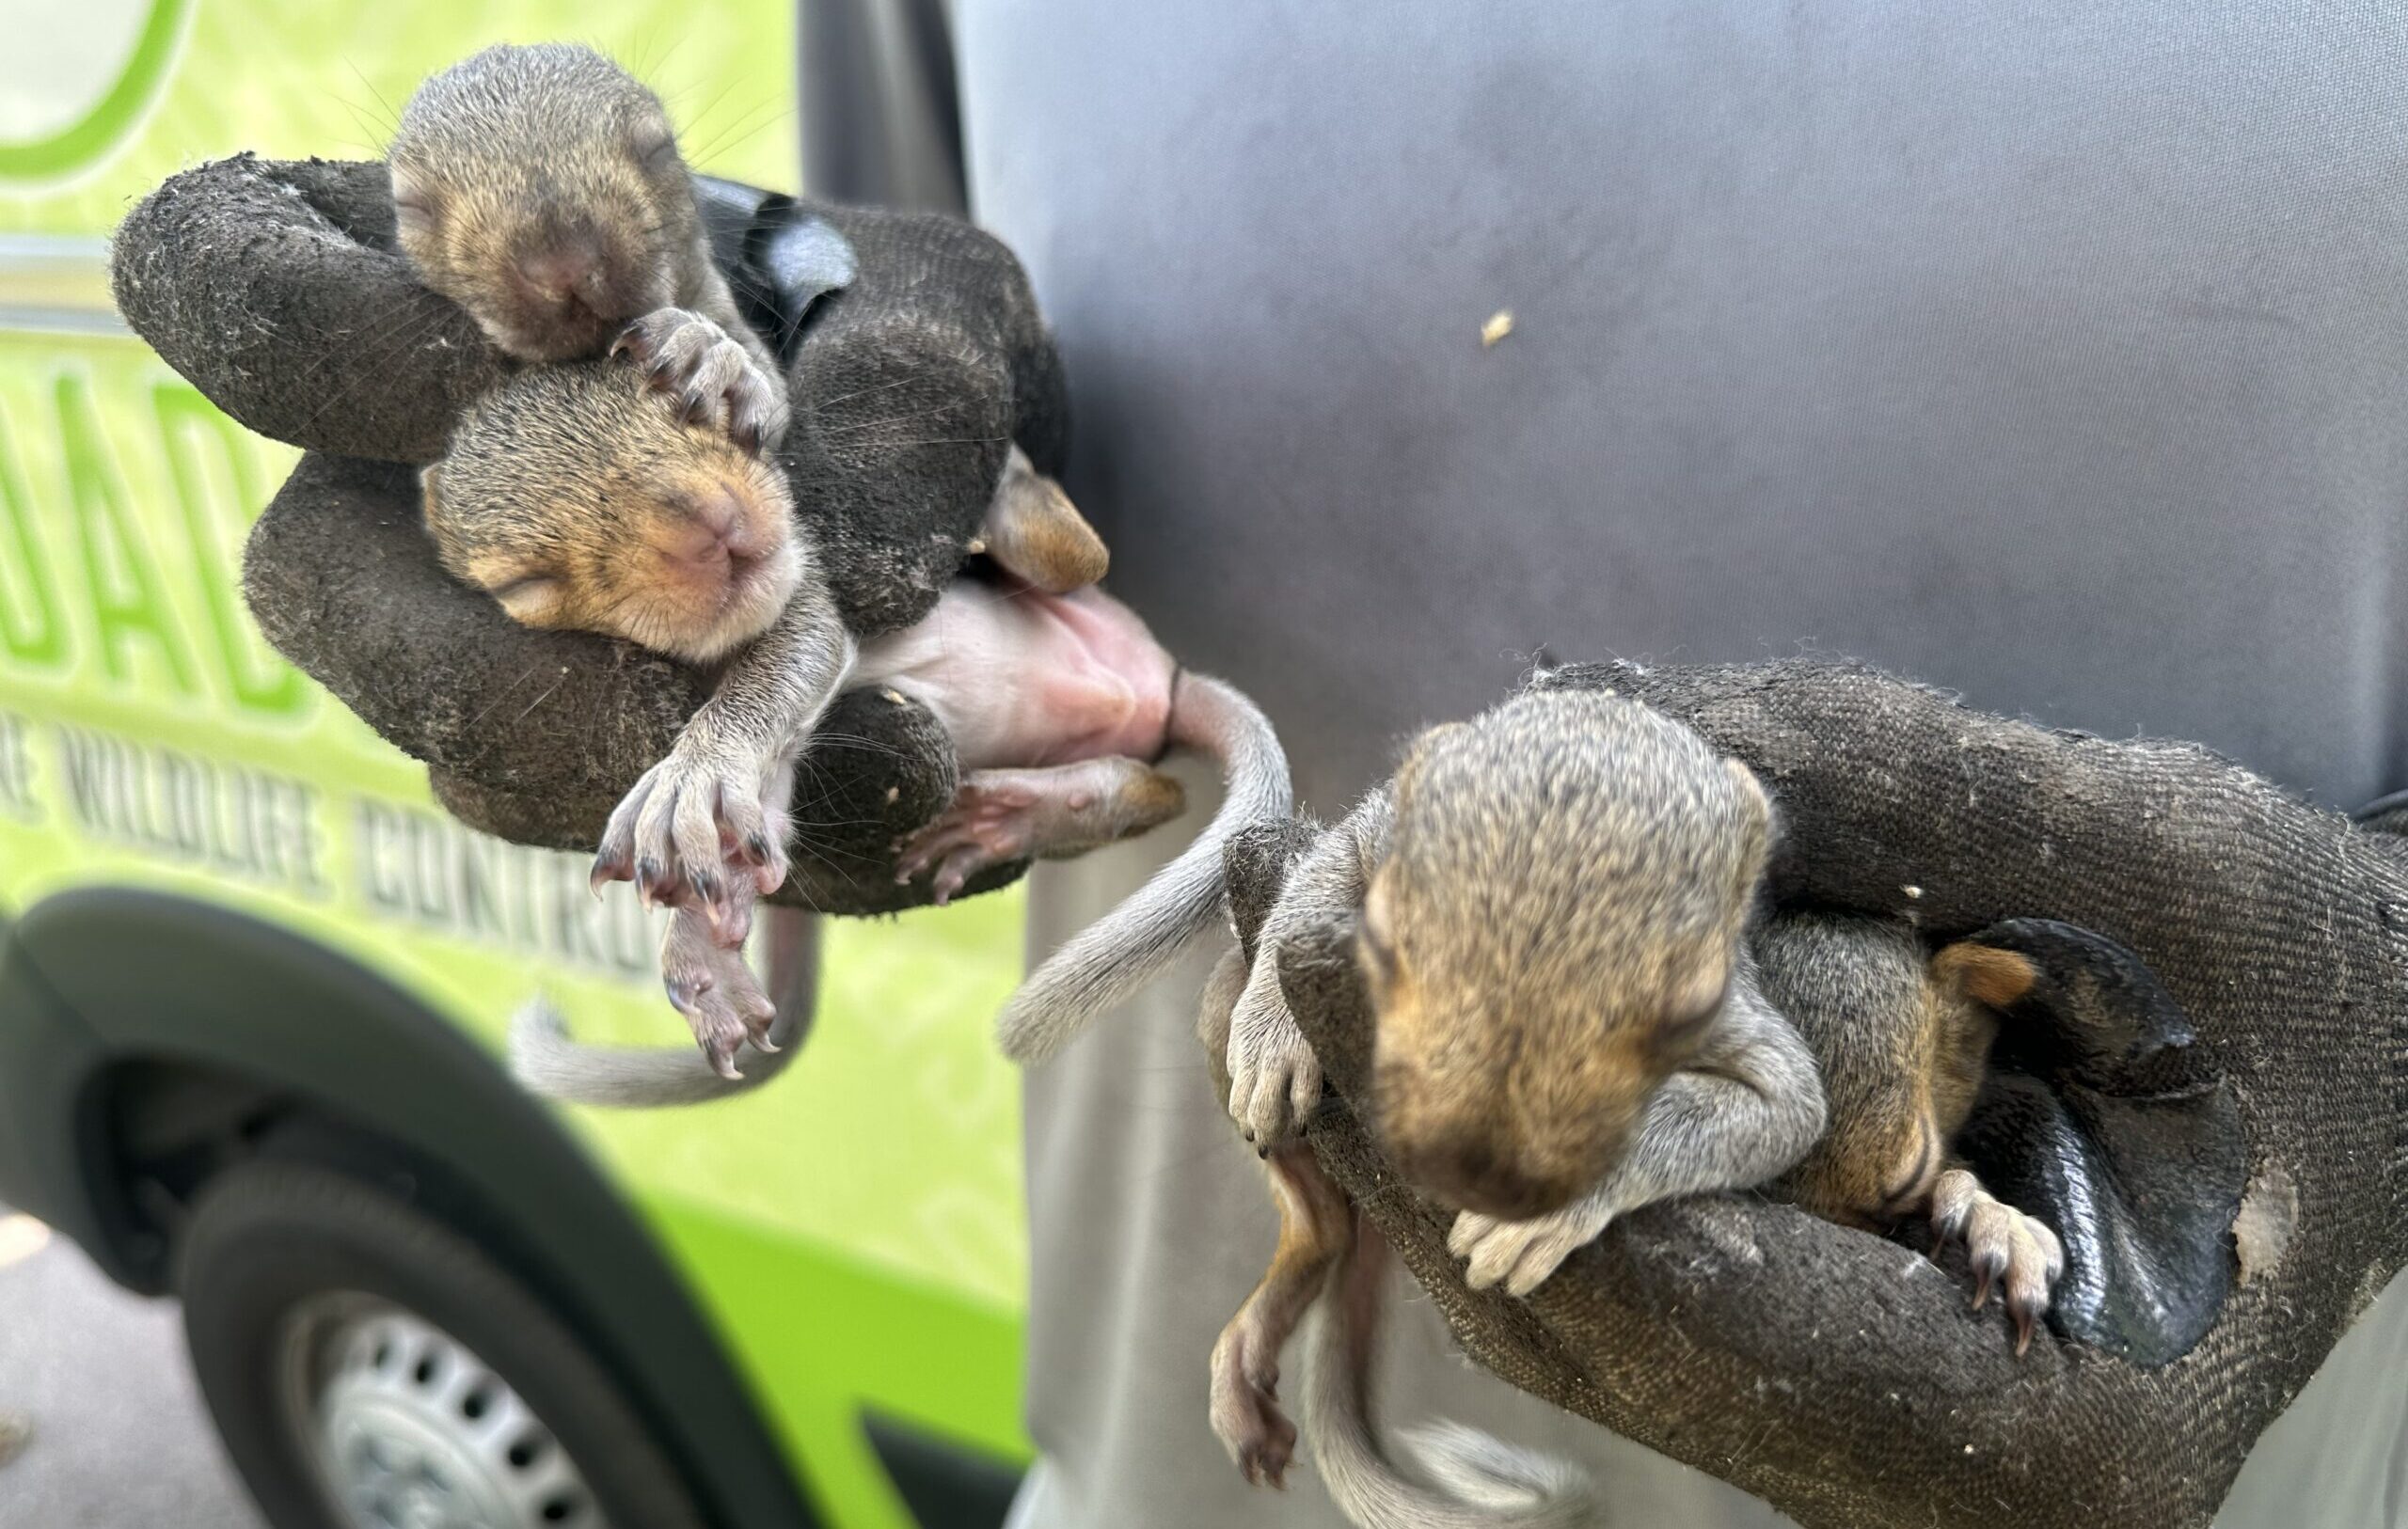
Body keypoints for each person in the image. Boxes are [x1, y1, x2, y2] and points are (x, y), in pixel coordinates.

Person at [805, 3, 2408, 1522]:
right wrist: (767, 555)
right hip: (1170, 1469)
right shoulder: (1395, 845)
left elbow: (1773, 1089)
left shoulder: (1743, 978)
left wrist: (2382, 1017)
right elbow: (870, 401)